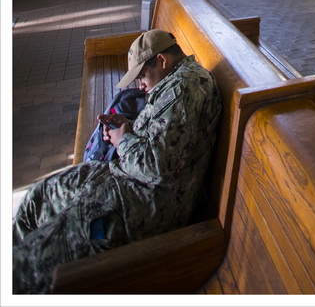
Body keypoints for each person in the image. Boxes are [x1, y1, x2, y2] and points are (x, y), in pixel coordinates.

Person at [13, 29, 222, 294]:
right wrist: (127, 126)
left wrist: (122, 140)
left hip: (135, 207)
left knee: (26, 266)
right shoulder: (175, 81)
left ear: (162, 60)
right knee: (38, 198)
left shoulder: (183, 89)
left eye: (142, 76)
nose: (140, 86)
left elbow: (156, 168)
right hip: (121, 181)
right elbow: (165, 139)